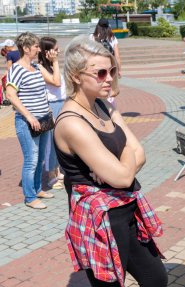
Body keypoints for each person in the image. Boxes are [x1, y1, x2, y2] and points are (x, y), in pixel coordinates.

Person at [53, 35, 167, 287]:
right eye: (101, 73)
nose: (109, 78)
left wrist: (115, 165)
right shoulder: (72, 122)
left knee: (156, 278)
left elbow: (141, 154)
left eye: (112, 70)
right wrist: (122, 161)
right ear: (75, 76)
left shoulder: (103, 106)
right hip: (100, 221)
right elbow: (125, 175)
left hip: (126, 208)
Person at [5, 32, 54, 209]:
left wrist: (47, 111)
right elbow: (10, 94)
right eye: (35, 46)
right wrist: (29, 116)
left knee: (41, 157)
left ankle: (37, 189)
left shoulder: (35, 67)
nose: (38, 49)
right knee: (31, 159)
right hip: (27, 123)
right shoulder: (17, 69)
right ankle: (30, 197)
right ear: (26, 48)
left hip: (43, 119)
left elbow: (42, 93)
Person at [38, 36, 66, 189]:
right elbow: (56, 82)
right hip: (51, 106)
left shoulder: (51, 66)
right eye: (55, 49)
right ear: (47, 52)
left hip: (61, 103)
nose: (58, 51)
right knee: (50, 142)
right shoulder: (40, 67)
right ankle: (51, 175)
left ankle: (58, 170)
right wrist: (55, 62)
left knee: (60, 141)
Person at [90, 18, 121, 104]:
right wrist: (119, 70)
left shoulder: (92, 37)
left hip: (97, 68)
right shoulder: (112, 38)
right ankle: (109, 105)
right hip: (110, 67)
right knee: (111, 87)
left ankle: (98, 105)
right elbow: (117, 56)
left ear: (97, 26)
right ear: (108, 27)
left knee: (98, 86)